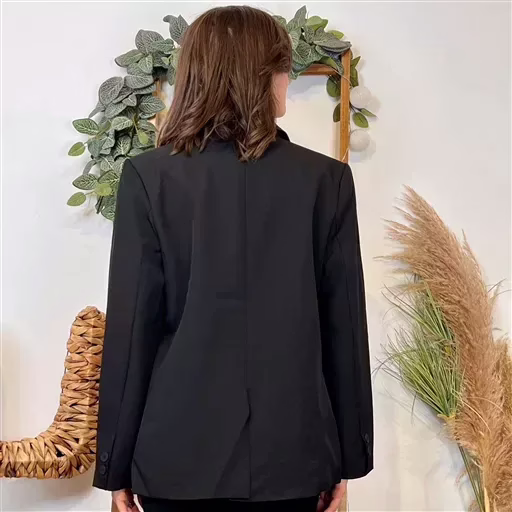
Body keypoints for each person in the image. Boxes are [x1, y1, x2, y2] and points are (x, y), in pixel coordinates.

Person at [92, 5, 373, 512]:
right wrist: (347, 460)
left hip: (175, 459)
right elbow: (344, 330)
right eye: (284, 68)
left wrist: (115, 466)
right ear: (262, 76)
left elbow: (133, 333)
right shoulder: (325, 181)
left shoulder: (149, 178)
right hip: (295, 459)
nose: (288, 81)